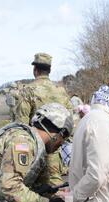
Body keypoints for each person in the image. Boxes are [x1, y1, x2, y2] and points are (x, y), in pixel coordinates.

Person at [15, 53, 72, 186]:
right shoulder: (61, 91)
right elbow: (70, 122)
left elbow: (20, 126)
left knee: (30, 189)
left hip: (34, 148)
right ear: (49, 71)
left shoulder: (27, 91)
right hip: (56, 147)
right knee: (55, 187)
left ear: (35, 70)